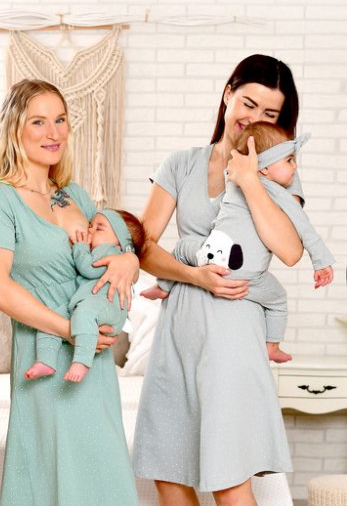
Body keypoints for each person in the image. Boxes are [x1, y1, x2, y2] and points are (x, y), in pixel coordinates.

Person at [131, 53, 310, 506]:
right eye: (248, 102)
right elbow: (143, 244)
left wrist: (251, 181)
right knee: (170, 472)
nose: (253, 117)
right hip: (180, 329)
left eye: (270, 112)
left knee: (231, 483)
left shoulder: (278, 170)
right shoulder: (182, 163)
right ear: (227, 94)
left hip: (233, 337)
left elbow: (289, 250)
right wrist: (193, 276)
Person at [0, 79, 143, 506]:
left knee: (60, 497)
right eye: (38, 121)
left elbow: (108, 250)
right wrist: (69, 329)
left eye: (60, 120)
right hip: (47, 359)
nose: (52, 133)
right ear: (14, 128)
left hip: (91, 364)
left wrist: (128, 258)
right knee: (94, 490)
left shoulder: (74, 195)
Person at [142, 123, 334, 363]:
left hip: (213, 256)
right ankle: (272, 346)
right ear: (264, 168)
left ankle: (163, 286)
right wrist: (321, 262)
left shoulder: (232, 180)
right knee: (277, 300)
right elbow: (305, 229)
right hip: (247, 277)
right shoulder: (278, 195)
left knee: (182, 247)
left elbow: (289, 252)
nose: (295, 167)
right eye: (289, 160)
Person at [25, 208, 145, 383]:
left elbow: (89, 268)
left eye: (99, 228)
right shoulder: (111, 251)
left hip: (106, 304)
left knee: (84, 314)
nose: (90, 230)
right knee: (51, 319)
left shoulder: (110, 251)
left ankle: (82, 362)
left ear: (120, 243)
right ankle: (45, 361)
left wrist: (80, 247)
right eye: (90, 225)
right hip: (91, 304)